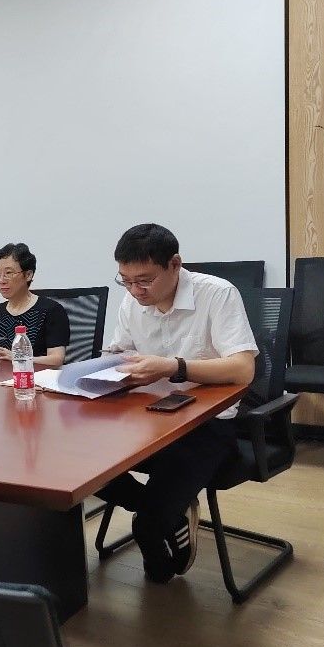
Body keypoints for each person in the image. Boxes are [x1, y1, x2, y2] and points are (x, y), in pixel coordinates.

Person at [95, 224, 257, 584]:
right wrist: (108, 372)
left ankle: (159, 519)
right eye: (126, 281)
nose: (135, 291)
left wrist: (173, 367)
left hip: (205, 424)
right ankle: (166, 508)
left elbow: (243, 369)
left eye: (144, 281)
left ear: (174, 264)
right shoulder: (133, 301)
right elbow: (118, 354)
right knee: (76, 467)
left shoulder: (217, 294)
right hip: (147, 418)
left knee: (148, 531)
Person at [0, 243, 69, 368]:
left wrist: (17, 357)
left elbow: (56, 359)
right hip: (1, 378)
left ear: (28, 275)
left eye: (8, 273)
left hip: (37, 377)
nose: (1, 280)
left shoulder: (51, 310)